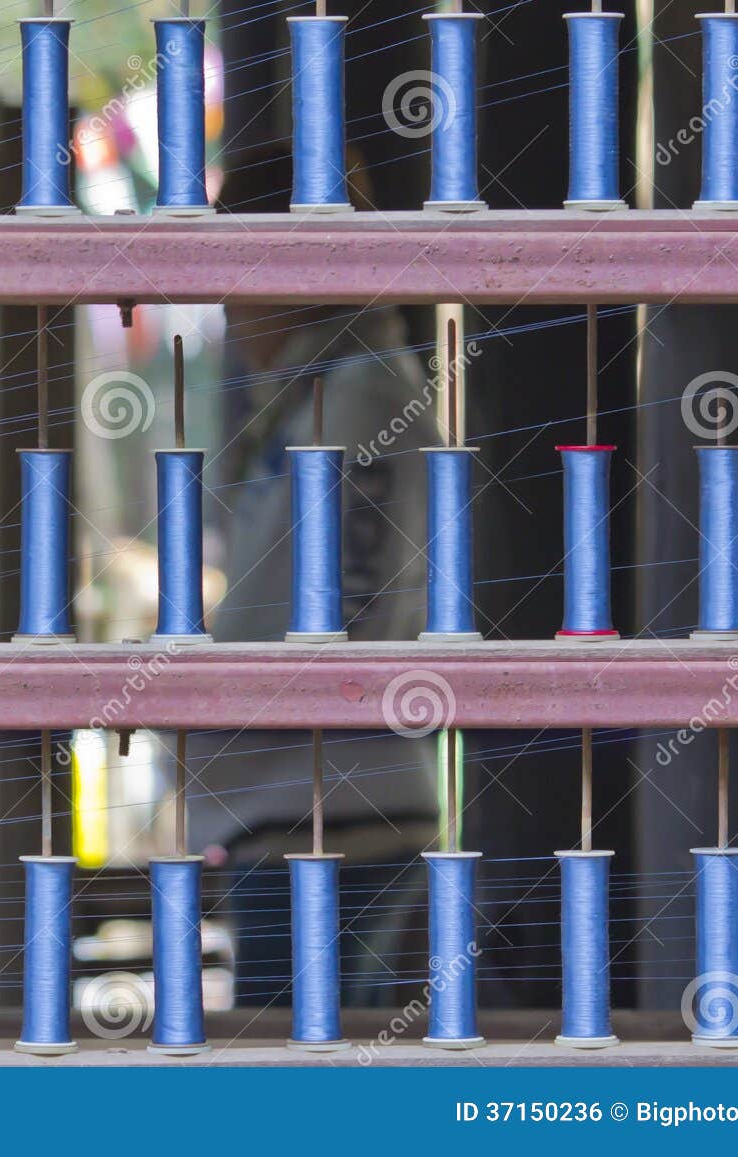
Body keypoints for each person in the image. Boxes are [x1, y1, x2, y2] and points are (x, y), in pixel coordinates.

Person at [190, 153, 446, 1009]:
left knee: (295, 1068)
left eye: (240, 272)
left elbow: (348, 609)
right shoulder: (325, 394)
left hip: (329, 813)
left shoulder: (365, 396)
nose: (231, 305)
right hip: (303, 808)